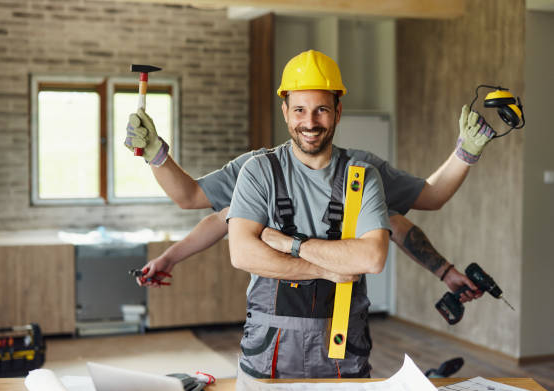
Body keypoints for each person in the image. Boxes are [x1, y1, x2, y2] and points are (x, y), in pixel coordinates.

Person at [125, 80, 495, 303]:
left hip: (344, 327)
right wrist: (157, 154)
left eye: (321, 110)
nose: (310, 121)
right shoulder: (258, 170)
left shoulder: (362, 173)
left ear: (337, 111)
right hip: (275, 330)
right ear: (286, 112)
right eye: (300, 109)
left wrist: (465, 153)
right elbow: (196, 202)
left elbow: (419, 205)